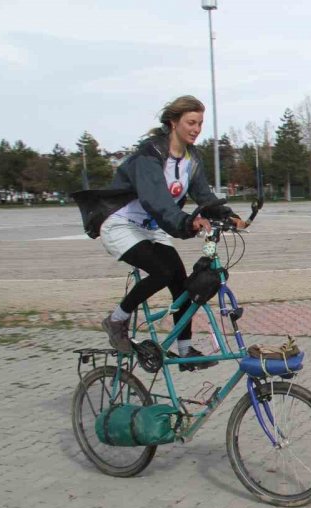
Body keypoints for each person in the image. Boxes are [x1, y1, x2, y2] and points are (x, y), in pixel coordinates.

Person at [94, 95, 244, 366]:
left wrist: (228, 216)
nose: (197, 129)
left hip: (153, 228)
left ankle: (185, 350)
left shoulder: (192, 158)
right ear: (173, 122)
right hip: (122, 225)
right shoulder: (149, 154)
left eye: (200, 123)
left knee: (182, 283)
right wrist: (185, 222)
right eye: (191, 122)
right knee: (162, 271)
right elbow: (156, 200)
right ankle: (116, 320)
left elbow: (204, 195)